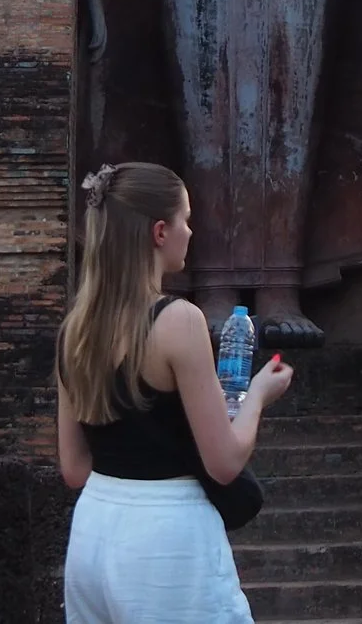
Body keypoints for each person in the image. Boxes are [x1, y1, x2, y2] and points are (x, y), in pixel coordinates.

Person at [56, 163, 294, 624]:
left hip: (94, 529)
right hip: (165, 537)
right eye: (186, 218)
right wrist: (258, 396)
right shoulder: (178, 321)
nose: (192, 230)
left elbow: (74, 468)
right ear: (160, 232)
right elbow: (224, 463)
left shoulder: (75, 331)